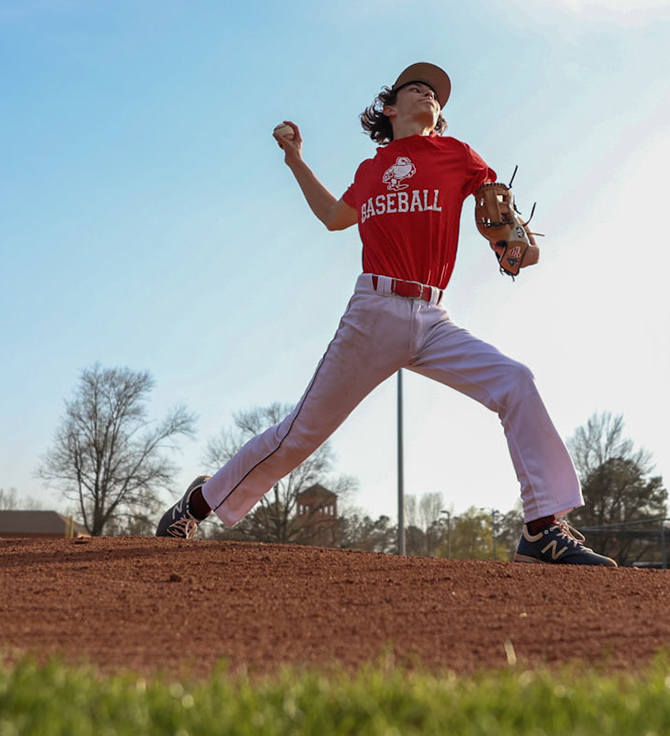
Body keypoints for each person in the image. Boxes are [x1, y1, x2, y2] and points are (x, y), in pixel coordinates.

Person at [156, 61, 614, 567]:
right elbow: (335, 217)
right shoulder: (371, 170)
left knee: (516, 381)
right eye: (416, 89)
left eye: (435, 95)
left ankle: (542, 528)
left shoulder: (457, 154)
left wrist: (514, 244)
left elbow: (500, 218)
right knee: (299, 435)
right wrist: (295, 161)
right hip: (374, 312)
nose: (429, 95)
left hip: (433, 317)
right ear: (390, 109)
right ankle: (195, 505)